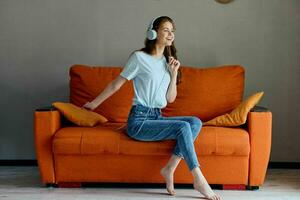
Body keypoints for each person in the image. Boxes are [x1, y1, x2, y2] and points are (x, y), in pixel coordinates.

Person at [83, 16, 221, 200]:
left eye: (173, 30)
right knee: (183, 127)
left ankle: (170, 168)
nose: (171, 34)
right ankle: (198, 178)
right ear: (153, 32)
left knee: (194, 122)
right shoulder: (139, 58)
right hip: (139, 120)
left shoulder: (168, 62)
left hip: (157, 116)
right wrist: (93, 104)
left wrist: (173, 75)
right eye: (166, 29)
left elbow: (169, 99)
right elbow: (116, 84)